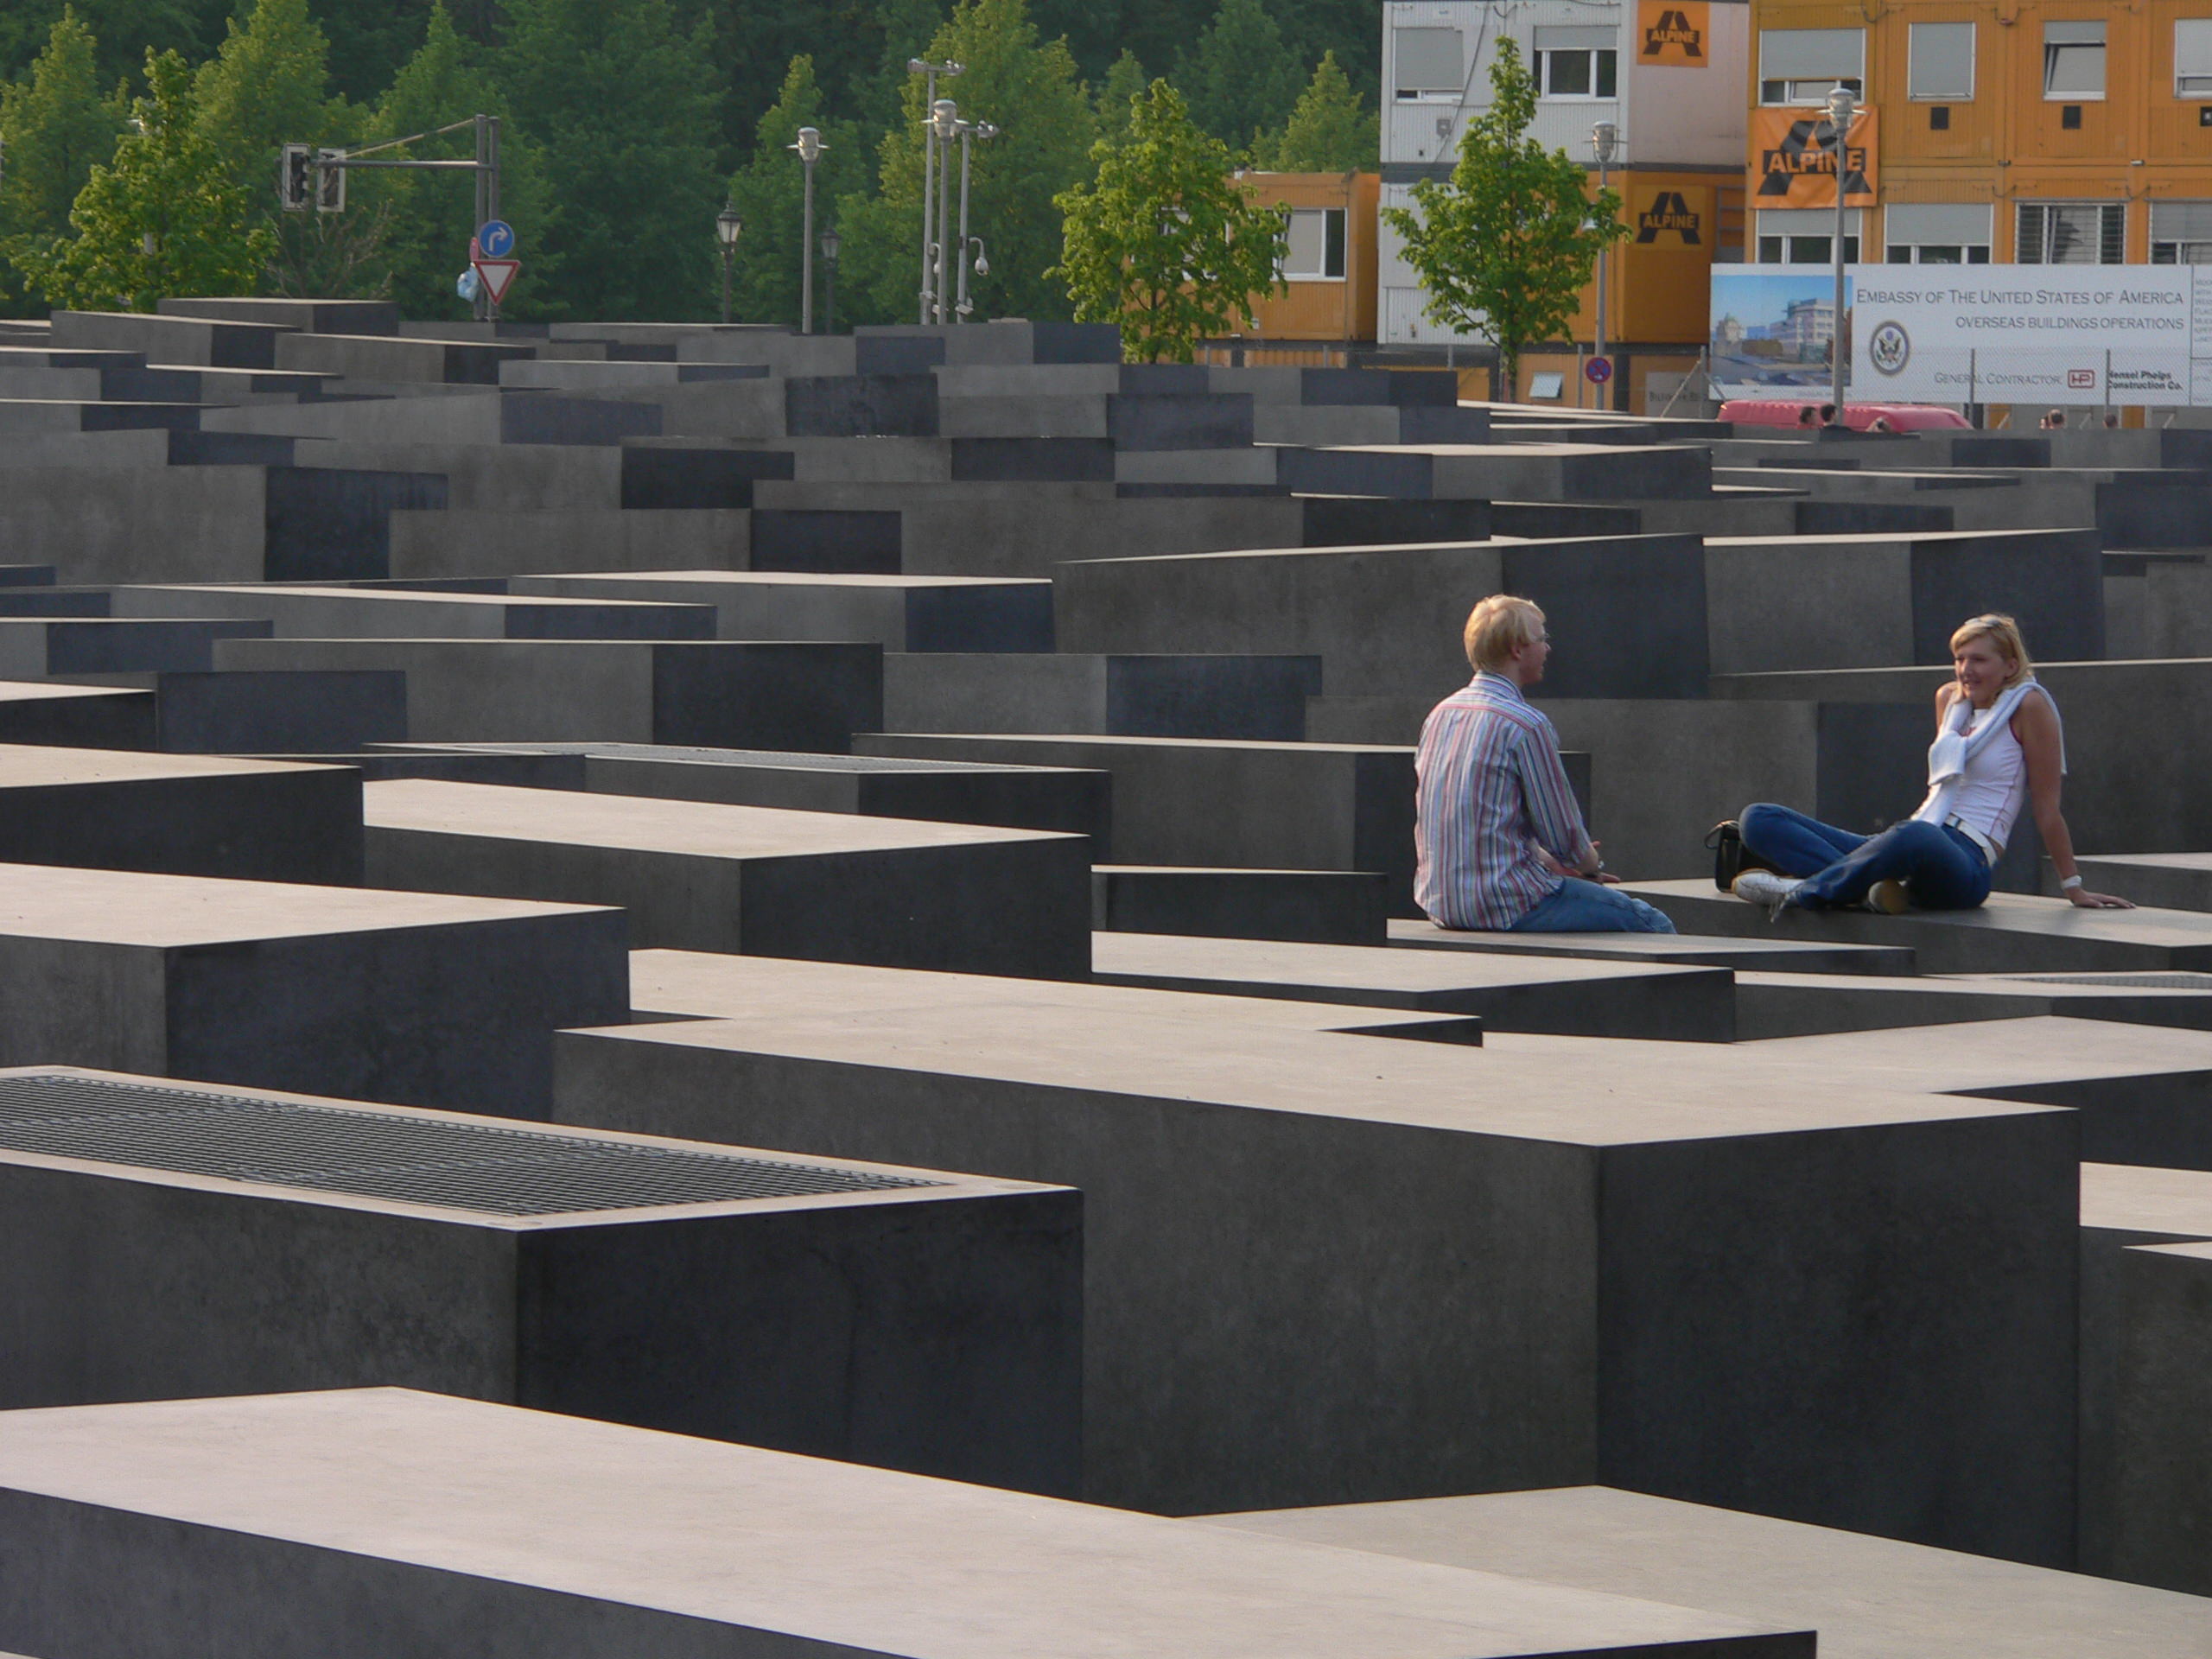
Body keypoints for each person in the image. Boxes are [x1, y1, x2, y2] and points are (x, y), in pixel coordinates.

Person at [1730, 613, 2134, 916]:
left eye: (1979, 660)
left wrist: (2074, 887)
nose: (1966, 670)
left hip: (1965, 864)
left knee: (1914, 836)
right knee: (1759, 818)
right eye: (1959, 659)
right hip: (1917, 837)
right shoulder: (1950, 700)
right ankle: (1872, 892)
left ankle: (1801, 892)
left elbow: (2047, 808)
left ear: (2010, 666)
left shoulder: (2030, 705)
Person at [1414, 595, 1675, 933]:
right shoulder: (1524, 724)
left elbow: (1473, 823)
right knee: (1653, 923)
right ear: (1517, 650)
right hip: (1508, 903)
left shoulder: (1440, 715)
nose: (1548, 648)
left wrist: (1549, 861)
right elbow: (1564, 835)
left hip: (1442, 904)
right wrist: (1590, 866)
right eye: (1542, 638)